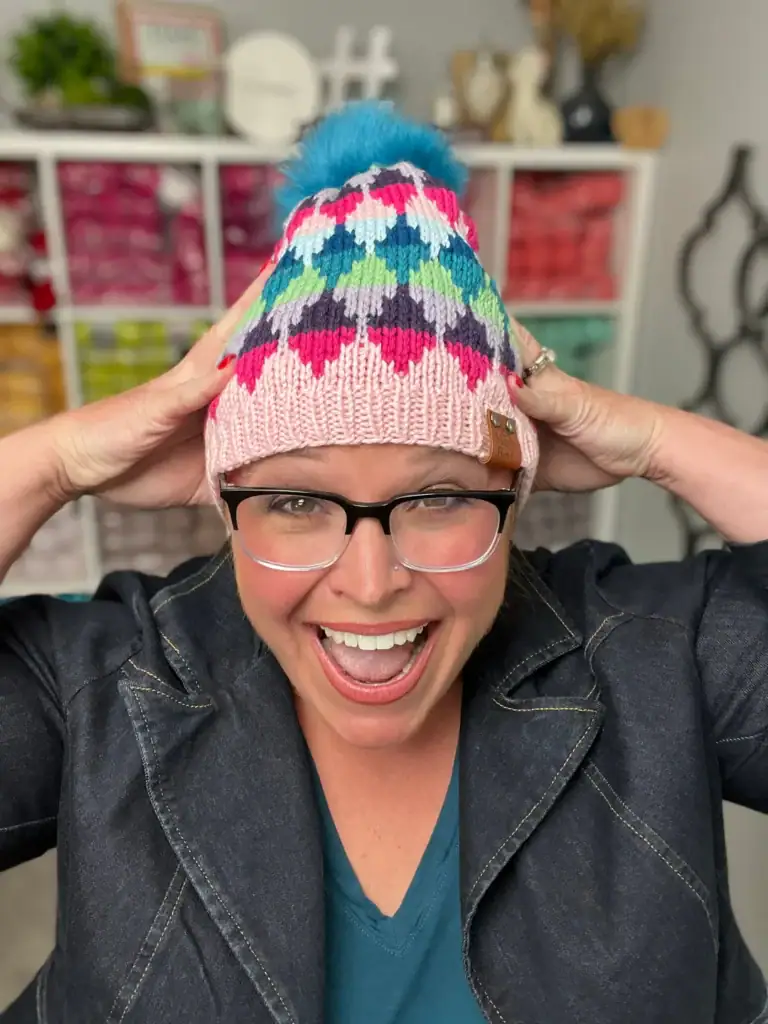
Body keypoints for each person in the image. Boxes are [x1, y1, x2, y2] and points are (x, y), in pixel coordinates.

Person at [1, 103, 767, 1024]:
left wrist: (655, 440)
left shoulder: (655, 657)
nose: (370, 584)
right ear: (222, 499)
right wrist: (56, 460)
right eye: (294, 502)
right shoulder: (108, 685)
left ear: (514, 495)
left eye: (440, 498)